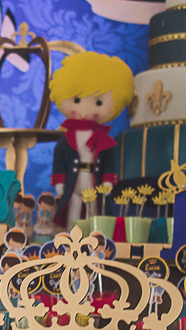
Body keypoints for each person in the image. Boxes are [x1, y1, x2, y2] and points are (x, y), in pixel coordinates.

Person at [49, 51, 133, 228]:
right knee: (73, 206)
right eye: (77, 100)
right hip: (74, 181)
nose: (85, 108)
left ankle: (95, 233)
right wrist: (60, 180)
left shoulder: (103, 140)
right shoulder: (66, 139)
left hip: (93, 181)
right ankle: (71, 232)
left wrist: (108, 179)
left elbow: (109, 161)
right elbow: (59, 158)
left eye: (99, 103)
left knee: (94, 208)